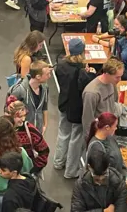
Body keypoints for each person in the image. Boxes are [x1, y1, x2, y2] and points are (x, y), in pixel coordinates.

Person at [53, 38, 96, 179]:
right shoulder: (82, 71)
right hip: (77, 108)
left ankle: (58, 162)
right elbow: (85, 88)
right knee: (76, 139)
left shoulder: (61, 65)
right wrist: (91, 74)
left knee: (63, 133)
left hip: (64, 103)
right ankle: (71, 171)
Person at [5, 96, 49, 176]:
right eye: (19, 116)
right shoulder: (3, 130)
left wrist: (34, 169)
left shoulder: (30, 130)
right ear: (11, 116)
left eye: (24, 115)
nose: (23, 119)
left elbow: (44, 151)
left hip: (27, 174)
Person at [82, 58, 123, 138]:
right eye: (117, 77)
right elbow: (87, 120)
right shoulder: (92, 93)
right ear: (107, 74)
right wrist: (90, 140)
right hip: (98, 135)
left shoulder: (112, 83)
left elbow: (114, 103)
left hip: (110, 131)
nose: (120, 80)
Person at [92, 16, 127, 81]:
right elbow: (113, 43)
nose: (119, 29)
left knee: (104, 73)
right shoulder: (126, 37)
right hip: (122, 66)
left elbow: (119, 59)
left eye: (121, 28)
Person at [10, 60, 51, 134]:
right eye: (47, 74)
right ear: (38, 76)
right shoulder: (20, 90)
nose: (49, 76)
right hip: (22, 132)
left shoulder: (45, 88)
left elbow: (44, 106)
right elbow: (9, 110)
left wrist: (45, 125)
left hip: (37, 131)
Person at [85, 112, 127, 179]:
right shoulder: (96, 149)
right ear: (107, 127)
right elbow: (100, 177)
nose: (116, 128)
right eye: (115, 126)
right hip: (110, 185)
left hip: (118, 181)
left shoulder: (110, 138)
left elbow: (120, 159)